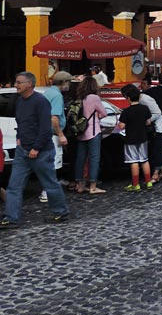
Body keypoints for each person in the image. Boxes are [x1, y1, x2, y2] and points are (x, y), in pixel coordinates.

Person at [1, 72, 69, 229]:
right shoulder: (19, 101)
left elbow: (46, 128)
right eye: (15, 82)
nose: (15, 85)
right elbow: (21, 121)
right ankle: (11, 218)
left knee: (50, 183)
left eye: (19, 82)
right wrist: (19, 138)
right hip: (22, 150)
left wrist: (36, 148)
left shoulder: (40, 101)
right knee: (14, 186)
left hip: (41, 152)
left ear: (29, 84)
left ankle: (60, 211)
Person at [40, 70, 72, 203]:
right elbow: (54, 118)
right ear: (63, 83)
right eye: (69, 82)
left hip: (45, 133)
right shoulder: (57, 96)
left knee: (49, 161)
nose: (69, 85)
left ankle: (51, 186)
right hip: (53, 134)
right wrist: (61, 134)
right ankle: (47, 191)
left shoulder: (48, 92)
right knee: (54, 162)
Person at [73, 75, 108, 195]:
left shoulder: (80, 97)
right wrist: (96, 116)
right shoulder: (94, 98)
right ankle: (93, 185)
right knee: (94, 158)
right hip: (93, 130)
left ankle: (80, 184)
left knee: (80, 158)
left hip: (81, 131)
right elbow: (104, 113)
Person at [119, 84, 153, 191]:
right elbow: (148, 122)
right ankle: (148, 182)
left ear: (128, 98)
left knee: (134, 162)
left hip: (131, 139)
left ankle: (135, 184)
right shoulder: (145, 109)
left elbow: (121, 126)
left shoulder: (126, 111)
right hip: (143, 137)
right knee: (144, 160)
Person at [138, 78, 162, 183]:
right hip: (155, 128)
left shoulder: (145, 99)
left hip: (158, 127)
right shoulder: (143, 98)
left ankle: (156, 172)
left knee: (157, 150)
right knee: (159, 149)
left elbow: (157, 113)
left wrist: (148, 120)